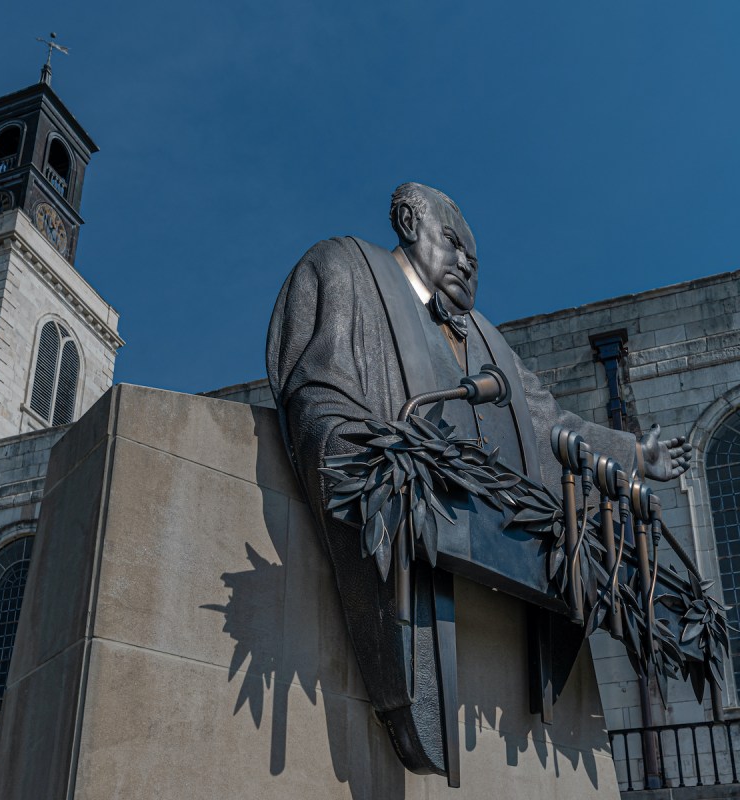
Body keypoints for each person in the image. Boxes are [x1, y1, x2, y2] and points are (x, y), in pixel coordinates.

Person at [266, 182, 691, 780]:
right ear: (410, 222)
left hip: (497, 536)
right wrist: (373, 468)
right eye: (455, 244)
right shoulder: (343, 270)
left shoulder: (487, 342)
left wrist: (632, 453)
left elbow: (551, 427)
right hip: (410, 512)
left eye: (475, 258)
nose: (467, 261)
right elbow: (318, 393)